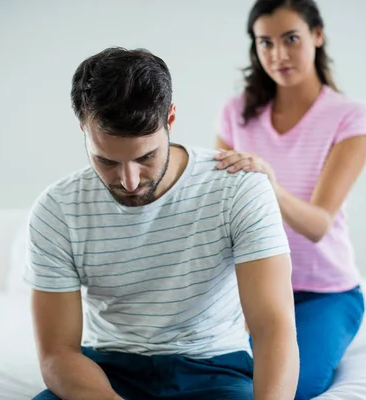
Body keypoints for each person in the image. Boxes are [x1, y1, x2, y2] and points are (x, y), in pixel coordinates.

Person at [25, 47, 299, 400]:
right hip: (105, 373)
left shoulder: (239, 187)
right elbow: (57, 353)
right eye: (106, 161)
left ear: (170, 119)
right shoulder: (56, 210)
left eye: (145, 157)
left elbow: (272, 328)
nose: (129, 181)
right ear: (83, 127)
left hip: (214, 371)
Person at [214, 1, 366, 398]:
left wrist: (267, 182)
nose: (278, 55)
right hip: (252, 284)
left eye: (291, 39)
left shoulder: (353, 115)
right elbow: (220, 205)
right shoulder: (236, 112)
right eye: (265, 43)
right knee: (218, 378)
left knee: (287, 387)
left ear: (317, 36)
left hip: (325, 292)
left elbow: (318, 224)